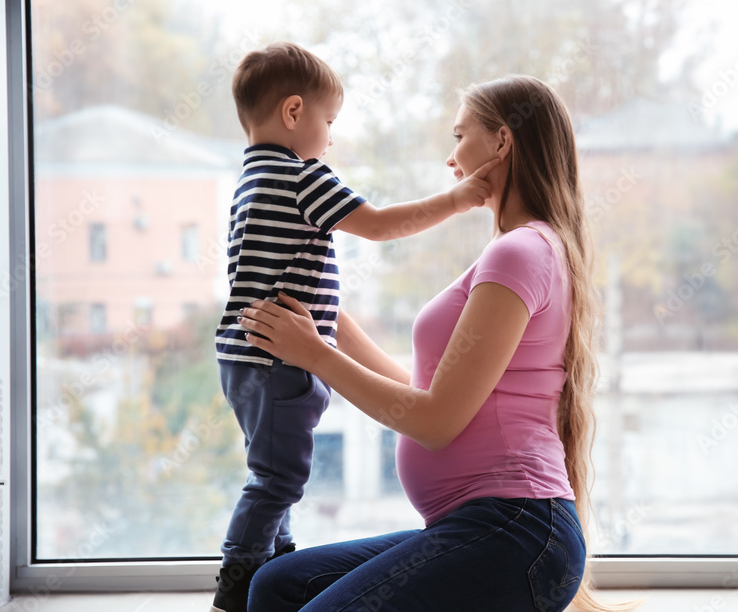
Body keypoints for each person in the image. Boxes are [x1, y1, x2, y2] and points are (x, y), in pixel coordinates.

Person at [237, 75, 621, 612]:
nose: (451, 158)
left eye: (460, 136)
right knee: (276, 584)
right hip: (484, 526)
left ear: (502, 142)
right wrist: (323, 316)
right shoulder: (520, 251)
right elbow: (421, 391)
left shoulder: (521, 254)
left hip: (516, 533)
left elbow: (436, 420)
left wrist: (315, 355)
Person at [212, 42, 497, 612]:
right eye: (329, 121)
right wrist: (458, 199)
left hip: (241, 358)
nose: (331, 138)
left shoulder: (249, 179)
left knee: (273, 470)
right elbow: (378, 225)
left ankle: (276, 567)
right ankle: (237, 589)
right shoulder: (301, 176)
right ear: (295, 113)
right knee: (278, 480)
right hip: (279, 361)